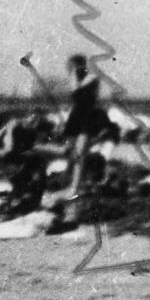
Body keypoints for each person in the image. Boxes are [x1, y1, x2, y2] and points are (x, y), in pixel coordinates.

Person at [62, 54, 104, 198]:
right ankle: (79, 182)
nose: (71, 69)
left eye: (72, 66)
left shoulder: (92, 76)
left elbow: (76, 90)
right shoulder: (76, 76)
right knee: (72, 152)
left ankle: (75, 188)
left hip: (88, 116)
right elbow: (74, 93)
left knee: (80, 153)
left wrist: (74, 73)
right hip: (76, 116)